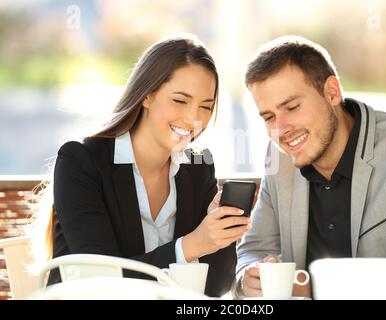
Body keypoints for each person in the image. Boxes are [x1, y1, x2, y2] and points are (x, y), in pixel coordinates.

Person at [30, 35, 251, 297]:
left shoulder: (198, 167)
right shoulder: (81, 162)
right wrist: (190, 246)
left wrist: (217, 238)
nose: (194, 119)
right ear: (147, 95)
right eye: (180, 101)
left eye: (206, 106)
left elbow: (215, 288)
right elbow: (101, 281)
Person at [233, 35, 386, 299]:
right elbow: (254, 249)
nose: (280, 129)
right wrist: (249, 276)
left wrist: (317, 286)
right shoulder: (279, 158)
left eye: (292, 107)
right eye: (268, 117)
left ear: (332, 92)